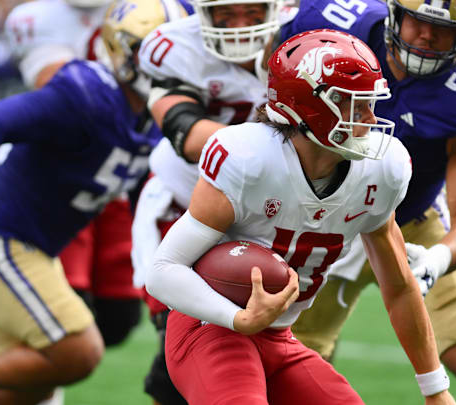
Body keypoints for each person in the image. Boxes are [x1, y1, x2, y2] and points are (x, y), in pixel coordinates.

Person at [145, 28, 456, 405]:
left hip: (280, 337)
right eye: (351, 104)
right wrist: (238, 319)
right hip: (210, 328)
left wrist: (436, 389)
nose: (369, 118)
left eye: (370, 103)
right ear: (302, 106)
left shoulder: (382, 171)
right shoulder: (249, 160)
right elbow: (162, 271)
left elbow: (399, 286)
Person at [0, 1, 179, 403]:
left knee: (35, 385)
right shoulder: (86, 92)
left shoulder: (154, 117)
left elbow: (141, 198)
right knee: (79, 351)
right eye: (150, 52)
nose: (162, 64)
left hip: (33, 246)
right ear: (120, 51)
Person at [279, 1, 456, 404]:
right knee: (293, 362)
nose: (427, 36)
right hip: (319, 217)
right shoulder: (332, 27)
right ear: (395, 14)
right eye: (419, 22)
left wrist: (437, 260)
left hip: (411, 221)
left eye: (444, 30)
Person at [1, 0, 187, 349]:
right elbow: (65, 97)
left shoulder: (159, 8)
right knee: (62, 316)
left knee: (118, 316)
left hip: (125, 170)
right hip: (69, 173)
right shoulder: (37, 18)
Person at [131, 1, 287, 403]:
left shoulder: (303, 33)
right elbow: (188, 135)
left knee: (280, 336)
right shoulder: (171, 47)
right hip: (184, 198)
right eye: (226, 14)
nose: (239, 27)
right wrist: (285, 151)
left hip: (269, 209)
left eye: (251, 13)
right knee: (190, 329)